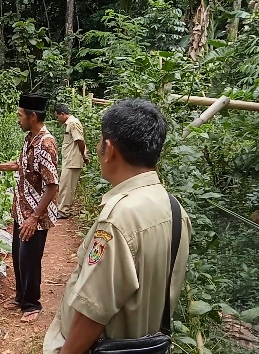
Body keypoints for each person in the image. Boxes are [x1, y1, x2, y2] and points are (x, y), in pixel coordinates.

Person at [42, 99, 192, 354]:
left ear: (109, 149)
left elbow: (93, 311)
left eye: (100, 141)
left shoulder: (119, 219)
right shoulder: (174, 208)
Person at [0, 93, 59, 323]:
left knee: (30, 259)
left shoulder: (46, 144)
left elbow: (52, 186)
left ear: (33, 116)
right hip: (22, 209)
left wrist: (34, 217)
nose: (17, 119)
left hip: (35, 214)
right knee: (19, 257)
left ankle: (32, 304)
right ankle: (20, 297)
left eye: (20, 115)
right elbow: (20, 165)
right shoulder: (30, 138)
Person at [54, 104, 88, 219]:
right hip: (69, 160)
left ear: (63, 114)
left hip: (73, 160)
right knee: (65, 185)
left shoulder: (73, 123)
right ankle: (63, 209)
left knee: (66, 186)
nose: (57, 119)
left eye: (57, 117)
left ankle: (63, 211)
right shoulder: (70, 123)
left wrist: (84, 156)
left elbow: (80, 140)